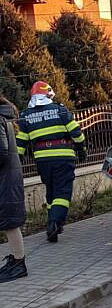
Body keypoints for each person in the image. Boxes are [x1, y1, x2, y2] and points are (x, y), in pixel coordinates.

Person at [16, 81, 86, 243]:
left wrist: (18, 159)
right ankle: (55, 223)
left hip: (42, 160)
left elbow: (21, 141)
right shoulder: (60, 110)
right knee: (62, 191)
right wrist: (82, 148)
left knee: (51, 191)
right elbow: (76, 132)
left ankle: (52, 222)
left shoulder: (26, 115)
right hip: (62, 156)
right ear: (47, 95)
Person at [0, 95, 28, 282]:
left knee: (10, 222)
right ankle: (17, 261)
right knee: (9, 221)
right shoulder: (3, 118)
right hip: (7, 176)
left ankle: (19, 264)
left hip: (5, 178)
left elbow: (0, 152)